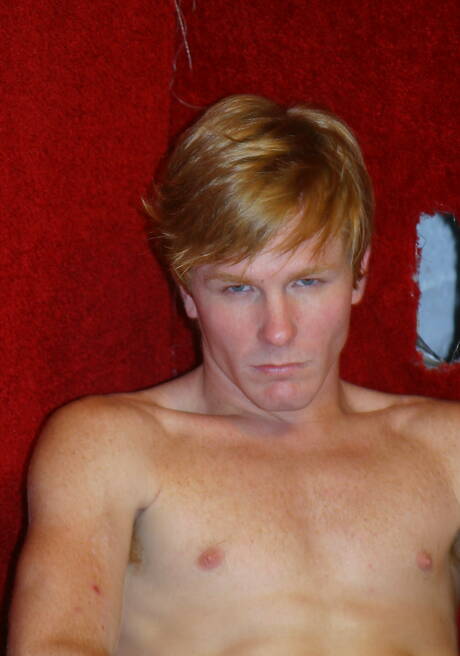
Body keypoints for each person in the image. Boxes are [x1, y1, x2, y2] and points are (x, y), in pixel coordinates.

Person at [8, 94, 460, 656]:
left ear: (359, 274)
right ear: (187, 291)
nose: (277, 330)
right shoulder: (111, 446)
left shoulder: (446, 448)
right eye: (238, 288)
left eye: (307, 282)